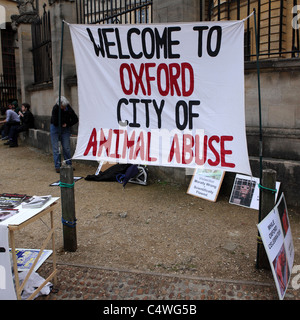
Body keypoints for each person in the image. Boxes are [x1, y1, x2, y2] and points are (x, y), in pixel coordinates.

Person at [50, 96, 78, 173]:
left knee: (66, 147)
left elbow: (75, 119)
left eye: (64, 106)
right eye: (62, 106)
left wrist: (67, 124)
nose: (63, 108)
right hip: (55, 128)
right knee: (56, 148)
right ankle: (57, 165)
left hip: (65, 129)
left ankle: (69, 164)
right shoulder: (55, 108)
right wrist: (62, 123)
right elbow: (55, 120)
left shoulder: (68, 108)